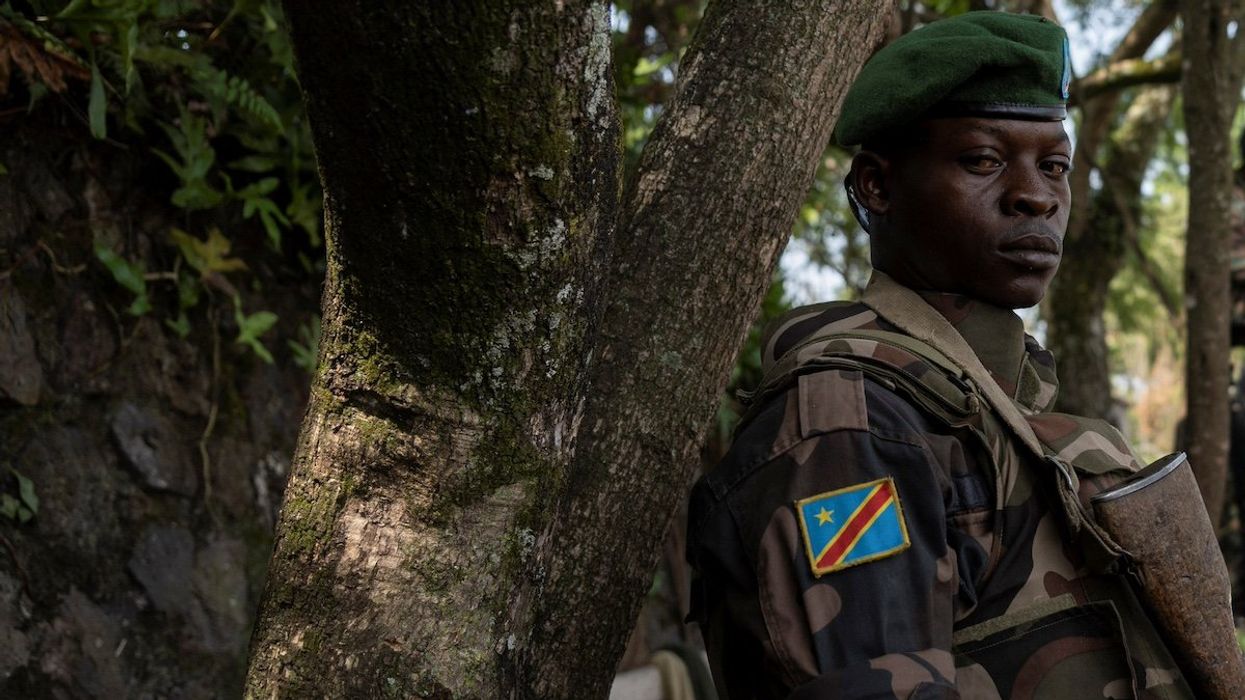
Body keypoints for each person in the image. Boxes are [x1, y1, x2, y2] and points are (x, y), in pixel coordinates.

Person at [686, 12, 1196, 699]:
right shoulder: (850, 421)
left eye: (1054, 166)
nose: (1035, 196)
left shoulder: (989, 400)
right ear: (876, 186)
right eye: (982, 161)